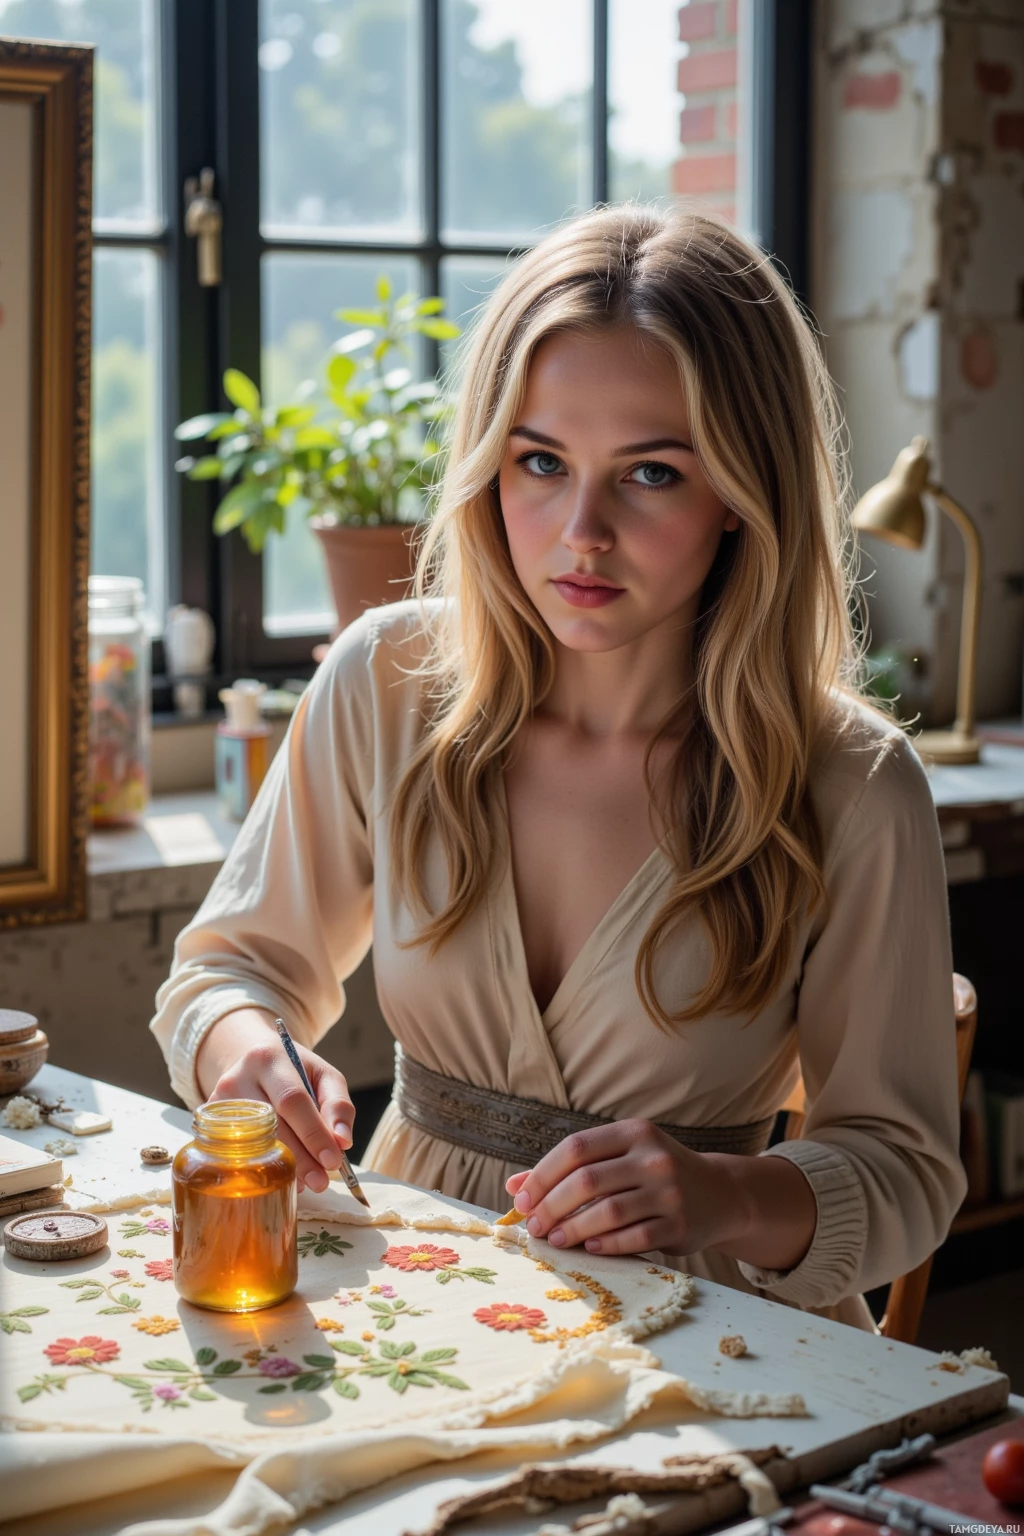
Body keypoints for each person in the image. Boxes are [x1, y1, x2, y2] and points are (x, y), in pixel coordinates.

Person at [151, 204, 966, 1330]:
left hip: (715, 1348)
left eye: (650, 476)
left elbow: (908, 1176)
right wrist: (246, 1057)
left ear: (741, 494)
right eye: (540, 461)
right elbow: (223, 973)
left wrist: (719, 1194)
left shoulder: (853, 786)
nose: (579, 532)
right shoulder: (386, 683)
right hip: (417, 1307)